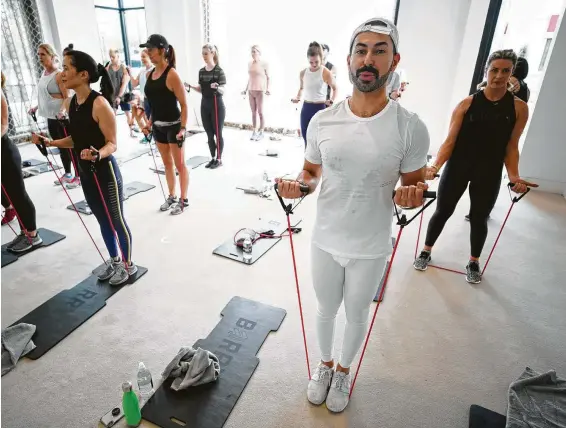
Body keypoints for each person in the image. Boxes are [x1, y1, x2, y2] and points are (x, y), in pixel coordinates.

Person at [276, 18, 430, 412]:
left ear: (394, 60)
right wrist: (299, 186)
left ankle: (344, 371)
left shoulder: (410, 127)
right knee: (326, 309)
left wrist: (410, 197)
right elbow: (310, 173)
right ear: (347, 60)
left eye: (380, 51)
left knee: (357, 312)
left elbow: (412, 187)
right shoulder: (322, 120)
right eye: (361, 50)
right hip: (326, 235)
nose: (368, 59)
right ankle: (324, 366)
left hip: (371, 242)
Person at [413, 49, 537, 284]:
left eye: (506, 71)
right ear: (486, 71)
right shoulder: (467, 104)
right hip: (459, 165)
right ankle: (426, 251)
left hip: (489, 170)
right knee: (443, 211)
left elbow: (511, 147)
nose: (499, 76)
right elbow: (449, 141)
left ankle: (473, 261)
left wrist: (514, 177)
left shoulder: (519, 108)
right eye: (494, 70)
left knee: (479, 218)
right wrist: (435, 166)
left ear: (512, 75)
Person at [32, 50, 137, 285]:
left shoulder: (100, 104)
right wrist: (50, 143)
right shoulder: (71, 103)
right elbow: (75, 139)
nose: (63, 73)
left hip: (105, 171)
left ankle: (129, 266)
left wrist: (98, 154)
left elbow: (112, 144)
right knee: (101, 219)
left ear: (83, 74)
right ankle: (115, 261)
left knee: (116, 219)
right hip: (85, 171)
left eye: (67, 68)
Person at [140, 34, 189, 214]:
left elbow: (184, 105)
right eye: (147, 50)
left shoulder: (172, 75)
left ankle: (183, 200)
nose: (148, 53)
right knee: (167, 164)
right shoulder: (149, 74)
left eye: (151, 50)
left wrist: (183, 129)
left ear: (162, 51)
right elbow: (154, 105)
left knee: (180, 165)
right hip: (158, 127)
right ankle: (172, 195)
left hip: (174, 127)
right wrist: (149, 123)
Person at [29, 43, 80, 189]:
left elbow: (67, 96)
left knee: (69, 147)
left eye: (43, 54)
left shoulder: (58, 75)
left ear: (52, 56)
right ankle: (68, 173)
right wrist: (36, 107)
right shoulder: (43, 74)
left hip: (61, 119)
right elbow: (45, 96)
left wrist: (62, 112)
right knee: (60, 147)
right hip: (50, 117)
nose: (40, 57)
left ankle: (78, 175)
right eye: (38, 54)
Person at [1, 72, 43, 252]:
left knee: (18, 194)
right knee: (10, 195)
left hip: (5, 151)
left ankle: (33, 236)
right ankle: (24, 231)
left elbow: (3, 123)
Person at [185, 44, 227, 169]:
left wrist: (217, 87)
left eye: (206, 53)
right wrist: (191, 87)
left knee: (217, 133)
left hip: (216, 104)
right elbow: (202, 89)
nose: (204, 56)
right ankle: (213, 157)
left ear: (213, 53)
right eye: (203, 53)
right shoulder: (202, 72)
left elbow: (223, 90)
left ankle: (219, 159)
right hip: (205, 104)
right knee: (209, 133)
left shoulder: (219, 71)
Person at [292, 42, 337, 147]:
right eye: (311, 62)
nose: (314, 64)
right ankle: (308, 162)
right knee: (306, 138)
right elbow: (302, 88)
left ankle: (319, 163)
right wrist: (297, 97)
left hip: (319, 108)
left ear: (321, 58)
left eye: (316, 62)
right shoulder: (303, 73)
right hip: (306, 107)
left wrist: (332, 100)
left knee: (318, 140)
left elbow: (335, 88)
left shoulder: (325, 72)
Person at [241, 45, 270, 141]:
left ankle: (261, 132)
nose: (253, 53)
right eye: (252, 52)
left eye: (254, 51)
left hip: (260, 90)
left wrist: (268, 89)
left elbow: (268, 77)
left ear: (259, 52)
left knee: (260, 112)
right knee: (253, 113)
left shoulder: (264, 64)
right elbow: (250, 78)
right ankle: (254, 131)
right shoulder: (250, 64)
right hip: (250, 90)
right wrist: (245, 90)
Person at [106, 48, 136, 138]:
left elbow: (124, 84)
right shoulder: (108, 67)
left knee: (128, 113)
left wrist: (119, 97)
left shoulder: (123, 68)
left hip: (123, 95)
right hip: (113, 95)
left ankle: (132, 131)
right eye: (110, 57)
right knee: (112, 115)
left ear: (118, 56)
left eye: (113, 57)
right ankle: (112, 135)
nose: (111, 59)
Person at [129, 49, 153, 143]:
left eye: (144, 57)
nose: (142, 59)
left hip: (151, 100)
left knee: (148, 119)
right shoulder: (142, 71)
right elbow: (134, 83)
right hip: (144, 99)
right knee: (139, 117)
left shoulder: (153, 70)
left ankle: (151, 136)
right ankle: (148, 135)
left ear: (149, 57)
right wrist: (130, 73)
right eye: (141, 57)